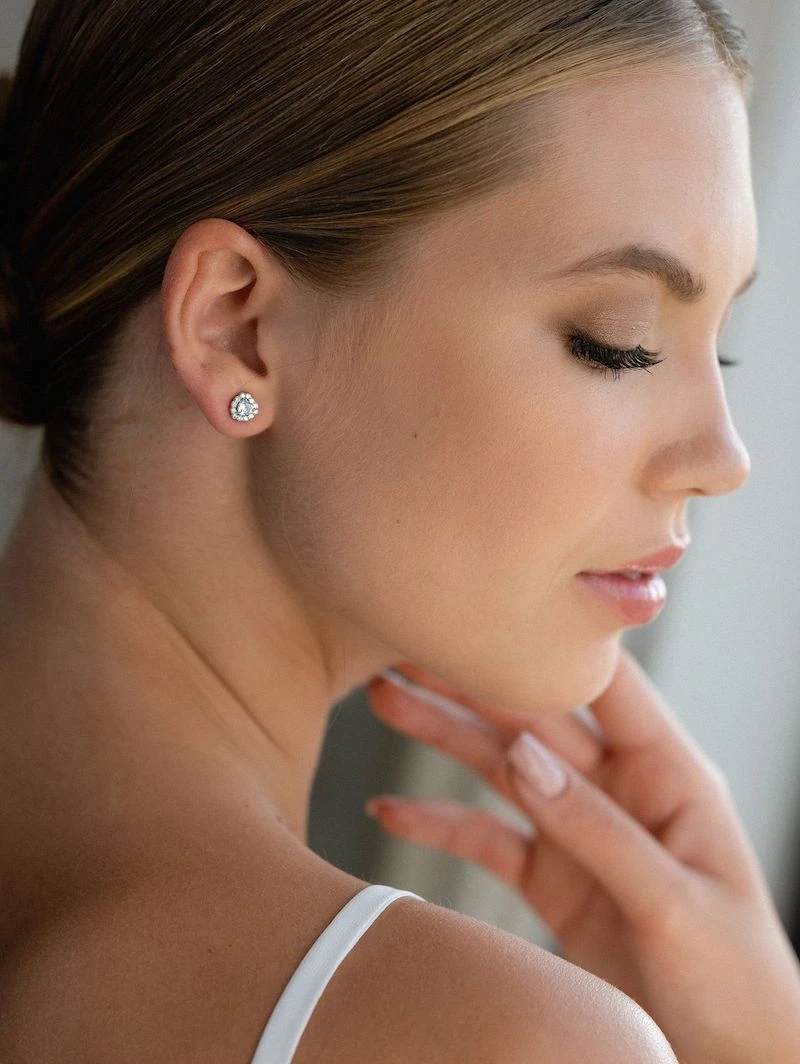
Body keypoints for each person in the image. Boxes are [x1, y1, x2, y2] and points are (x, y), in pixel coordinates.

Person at [0, 0, 798, 1061]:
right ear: (236, 325)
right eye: (618, 342)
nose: (723, 458)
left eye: (720, 349)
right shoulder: (510, 1039)